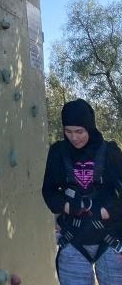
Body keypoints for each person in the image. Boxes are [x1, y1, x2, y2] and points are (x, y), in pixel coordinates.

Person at [42, 98, 122, 284]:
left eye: (80, 131)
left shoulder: (109, 152)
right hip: (73, 239)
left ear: (90, 127)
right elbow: (49, 192)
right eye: (68, 131)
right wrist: (69, 207)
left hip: (110, 239)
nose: (74, 137)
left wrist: (107, 210)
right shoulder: (58, 152)